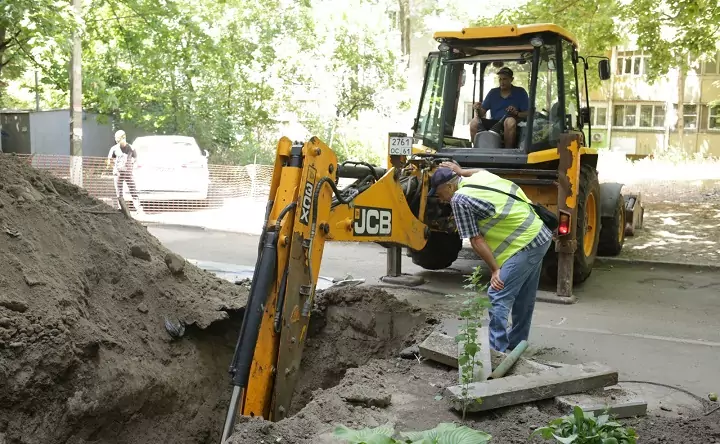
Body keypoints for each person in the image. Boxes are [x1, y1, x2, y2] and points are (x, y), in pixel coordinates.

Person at [429, 161, 552, 352]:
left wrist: (495, 269)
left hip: (527, 243)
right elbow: (481, 170)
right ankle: (517, 344)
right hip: (540, 234)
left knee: (498, 293)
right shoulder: (478, 178)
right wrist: (461, 170)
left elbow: (476, 240)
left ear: (450, 186)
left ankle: (496, 353)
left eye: (439, 193)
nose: (440, 199)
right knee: (524, 297)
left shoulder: (459, 199)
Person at [469, 67, 529, 148]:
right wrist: (478, 108)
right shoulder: (493, 93)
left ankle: (507, 153)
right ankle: (476, 150)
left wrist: (516, 113)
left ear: (511, 79)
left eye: (504, 79)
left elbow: (528, 113)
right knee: (474, 122)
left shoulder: (520, 92)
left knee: (510, 121)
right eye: (500, 79)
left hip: (513, 124)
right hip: (495, 124)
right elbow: (482, 112)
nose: (502, 82)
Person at [106, 130, 144, 215]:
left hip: (128, 173)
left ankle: (138, 208)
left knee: (133, 190)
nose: (117, 141)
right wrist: (114, 168)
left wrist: (132, 165)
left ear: (123, 137)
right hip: (118, 173)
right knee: (119, 192)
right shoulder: (114, 149)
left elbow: (136, 158)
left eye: (118, 138)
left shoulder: (131, 148)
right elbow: (109, 160)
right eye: (116, 139)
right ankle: (121, 210)